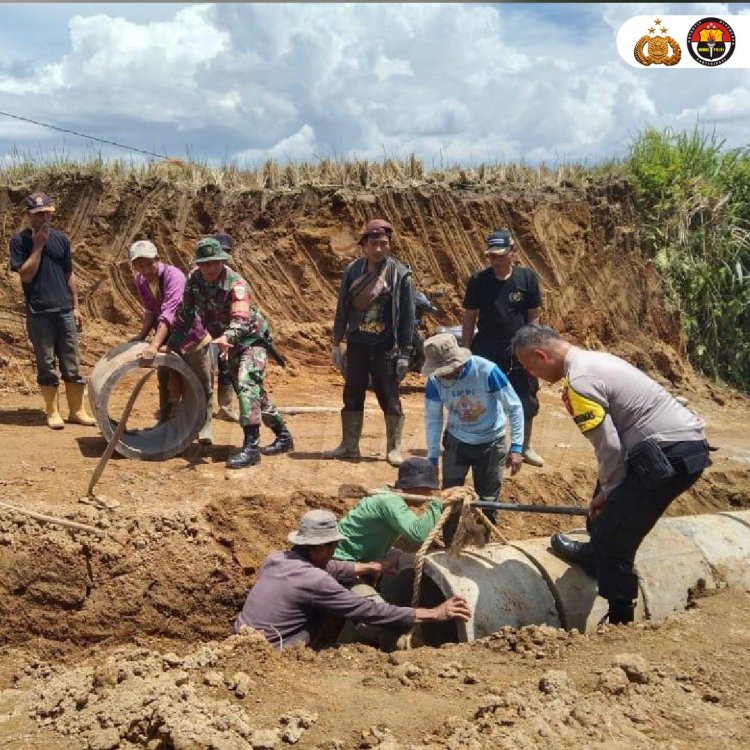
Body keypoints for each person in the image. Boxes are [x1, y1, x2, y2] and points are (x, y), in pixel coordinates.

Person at [511, 324, 712, 625]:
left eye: (530, 368)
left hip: (668, 457)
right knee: (604, 505)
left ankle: (620, 617)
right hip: (676, 446)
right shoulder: (595, 360)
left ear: (541, 355)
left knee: (612, 533)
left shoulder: (578, 382)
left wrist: (612, 491)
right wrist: (605, 491)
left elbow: (609, 447)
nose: (532, 376)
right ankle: (595, 556)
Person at [233, 509, 471, 649]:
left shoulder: (277, 559)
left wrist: (371, 566)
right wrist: (434, 613)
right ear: (318, 550)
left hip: (237, 645)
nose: (335, 552)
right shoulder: (315, 581)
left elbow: (332, 567)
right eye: (333, 547)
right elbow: (367, 610)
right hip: (272, 655)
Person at [167, 237, 293, 469]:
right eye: (206, 263)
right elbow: (185, 314)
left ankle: (251, 448)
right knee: (252, 391)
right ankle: (283, 435)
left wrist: (227, 337)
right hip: (228, 342)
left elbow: (241, 318)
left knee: (246, 384)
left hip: (250, 339)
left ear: (223, 261)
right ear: (199, 264)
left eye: (216, 262)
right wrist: (172, 343)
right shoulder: (194, 281)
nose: (211, 268)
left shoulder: (236, 283)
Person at [325, 219, 415, 466]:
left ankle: (394, 448)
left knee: (389, 396)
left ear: (389, 245)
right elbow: (342, 308)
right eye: (373, 244)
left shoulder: (401, 275)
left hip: (386, 346)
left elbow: (408, 317)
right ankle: (349, 446)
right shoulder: (353, 271)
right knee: (352, 394)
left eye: (383, 244)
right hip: (357, 344)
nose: (378, 249)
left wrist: (405, 353)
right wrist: (336, 342)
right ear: (364, 245)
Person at [422, 332, 524, 538]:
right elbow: (433, 419)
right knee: (450, 498)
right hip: (456, 442)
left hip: (491, 443)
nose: (443, 375)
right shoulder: (435, 381)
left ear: (458, 363)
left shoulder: (486, 371)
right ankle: (450, 543)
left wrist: (516, 447)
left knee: (487, 500)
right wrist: (432, 457)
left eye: (447, 370)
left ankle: (483, 543)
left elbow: (514, 407)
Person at [8, 191, 96, 430]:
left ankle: (77, 411)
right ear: (29, 216)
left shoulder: (62, 240)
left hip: (64, 311)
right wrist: (37, 247)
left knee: (72, 361)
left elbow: (69, 274)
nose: (44, 218)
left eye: (47, 213)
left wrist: (76, 306)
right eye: (38, 214)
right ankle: (53, 412)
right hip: (39, 313)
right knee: (46, 363)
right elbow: (25, 275)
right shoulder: (20, 242)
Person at [461, 229, 544, 466]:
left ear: (512, 253)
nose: (496, 260)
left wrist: (533, 346)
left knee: (526, 397)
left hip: (518, 351)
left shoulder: (526, 278)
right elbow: (469, 317)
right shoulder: (479, 280)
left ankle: (524, 446)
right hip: (486, 349)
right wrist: (465, 349)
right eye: (492, 256)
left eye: (501, 255)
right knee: (482, 397)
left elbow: (533, 316)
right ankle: (483, 444)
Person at [128, 239, 214, 444]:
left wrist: (153, 346)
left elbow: (169, 314)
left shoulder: (174, 276)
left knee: (200, 382)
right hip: (168, 337)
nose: (146, 269)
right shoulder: (141, 281)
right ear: (134, 266)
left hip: (191, 336)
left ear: (158, 259)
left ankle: (204, 426)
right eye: (140, 265)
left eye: (149, 263)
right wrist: (141, 337)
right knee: (165, 379)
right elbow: (150, 311)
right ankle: (166, 423)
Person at [210, 231, 240, 423]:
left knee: (226, 368)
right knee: (206, 369)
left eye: (227, 252)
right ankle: (201, 409)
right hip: (205, 331)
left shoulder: (233, 277)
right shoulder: (201, 273)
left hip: (226, 330)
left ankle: (226, 407)